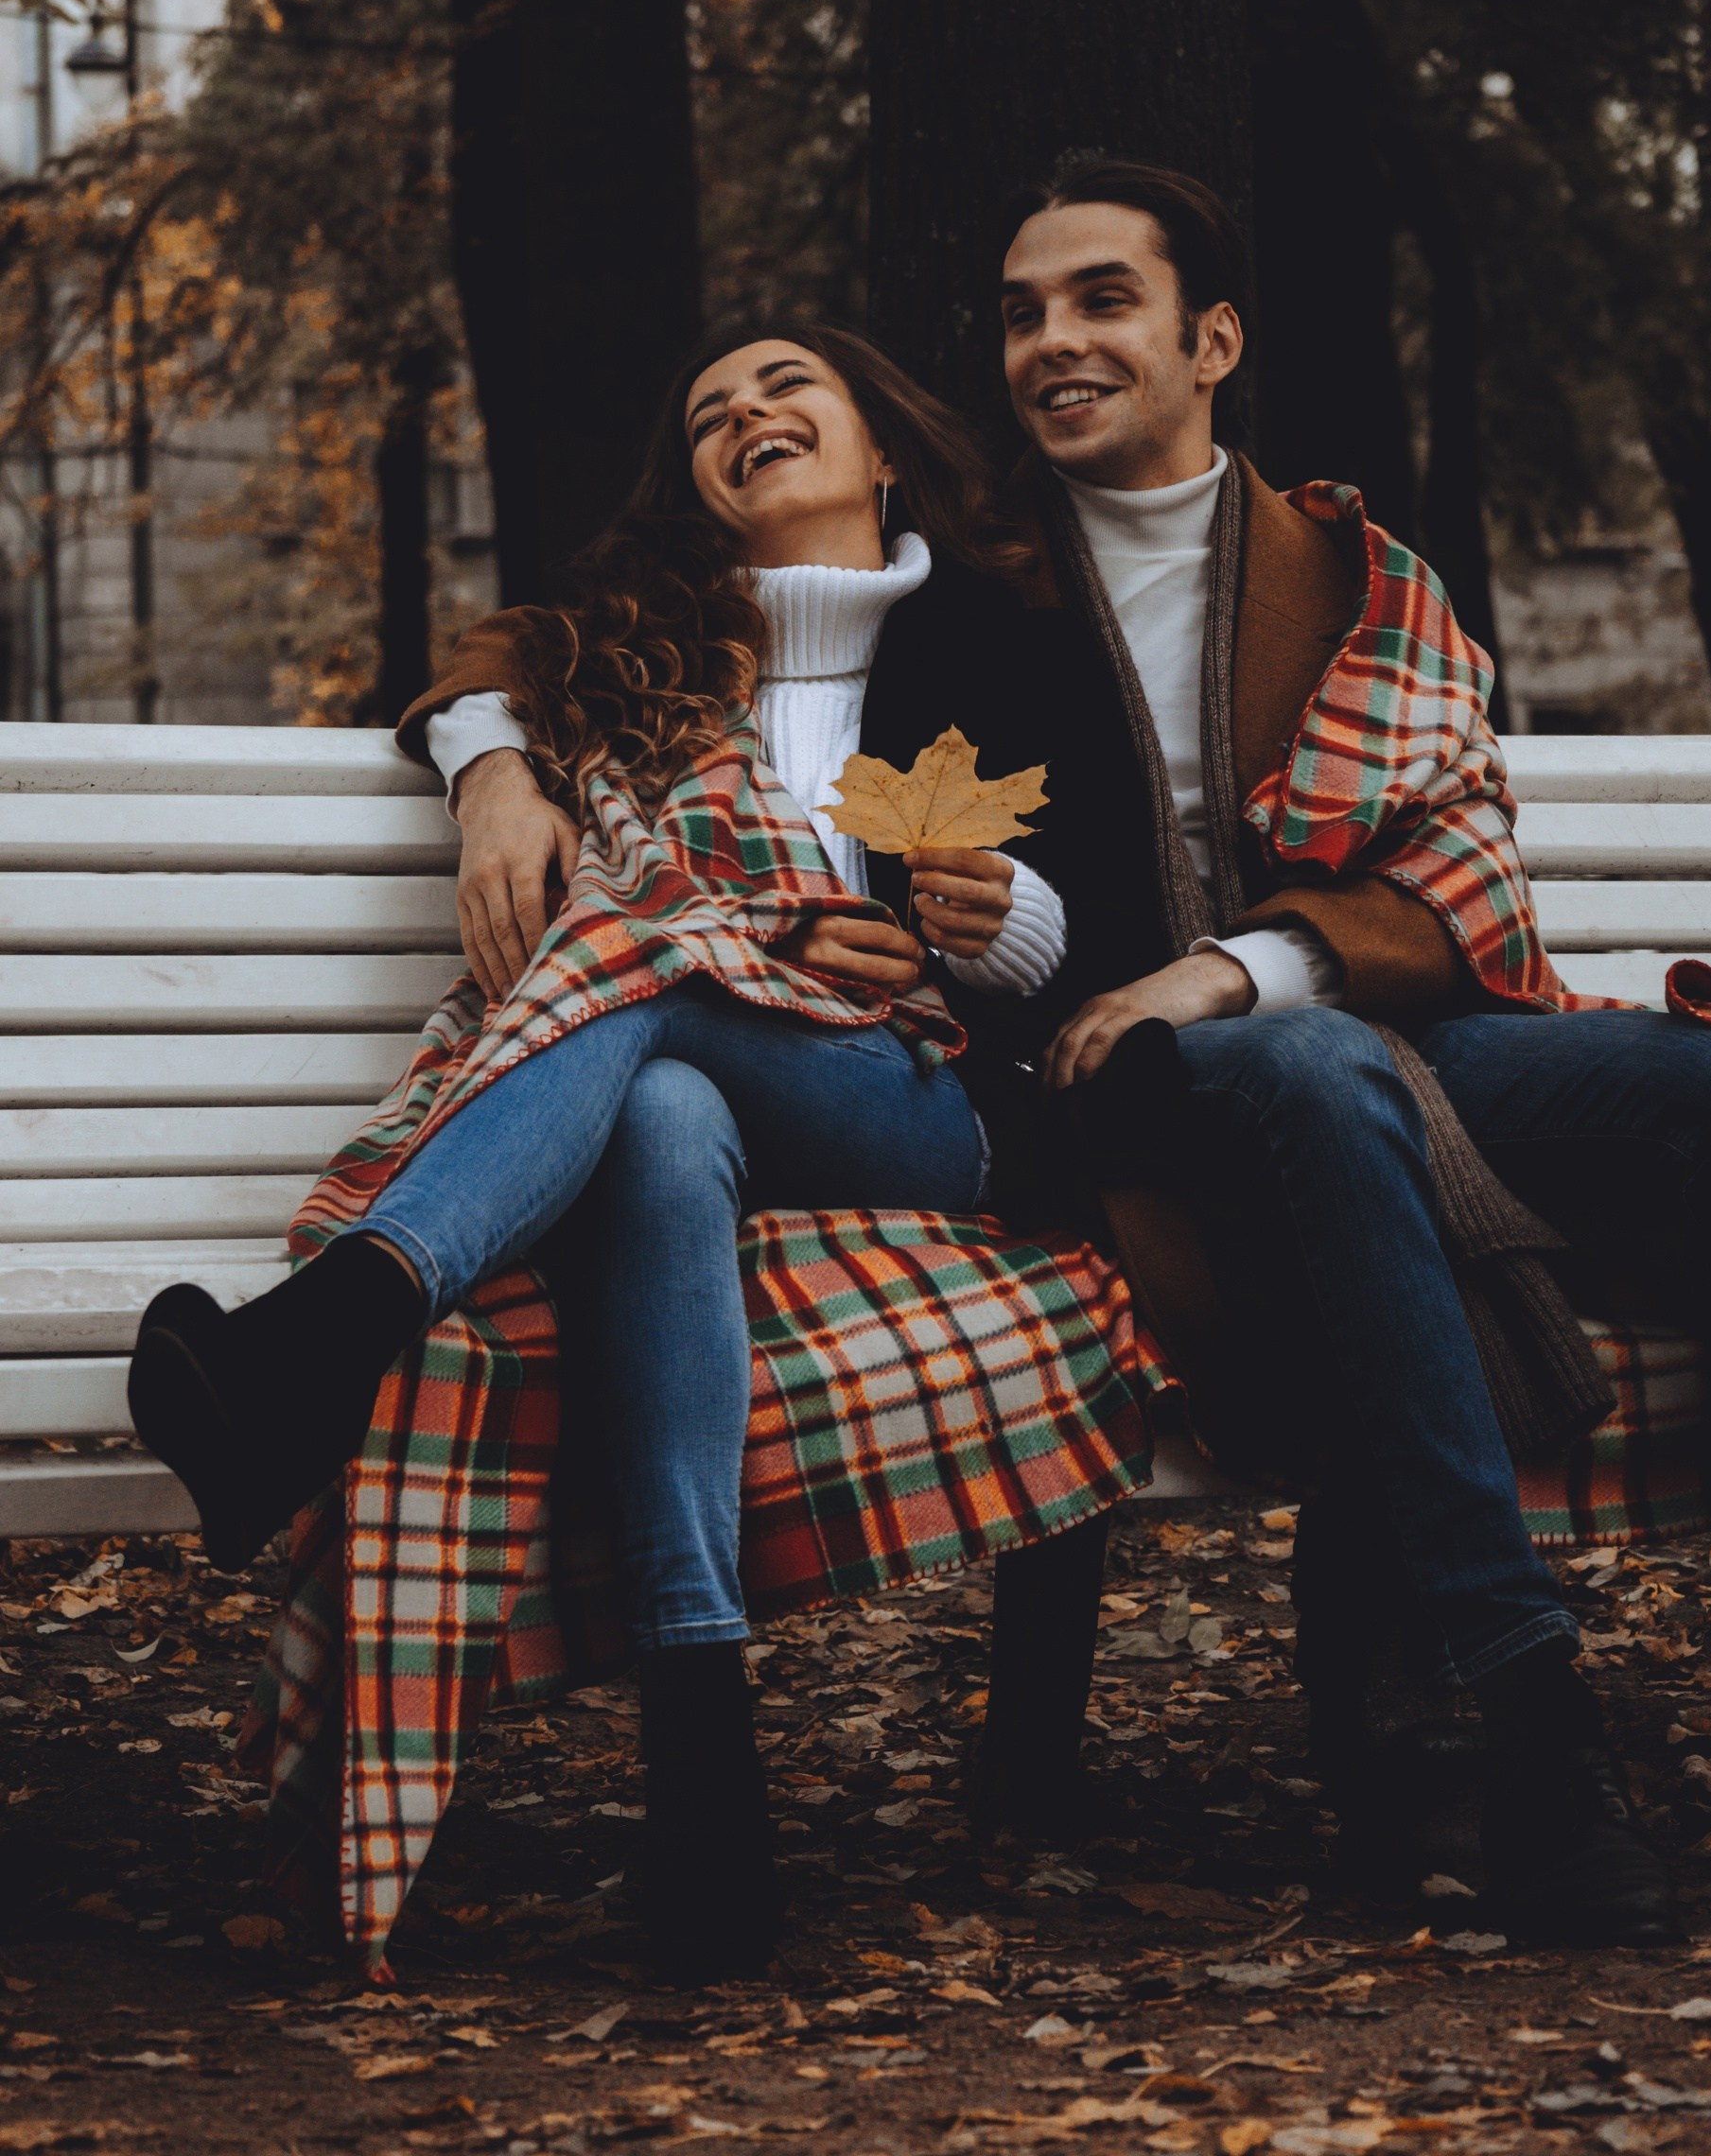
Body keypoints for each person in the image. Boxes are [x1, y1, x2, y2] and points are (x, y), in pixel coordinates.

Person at [412, 160, 1711, 1949]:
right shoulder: (966, 589)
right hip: (1121, 1090)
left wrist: (1229, 968)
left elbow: (1454, 861)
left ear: (1211, 339)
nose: (1053, 342)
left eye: (1099, 302)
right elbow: (639, 668)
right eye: (1022, 313)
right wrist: (497, 759)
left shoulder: (1350, 571)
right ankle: (1521, 1706)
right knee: (1316, 1079)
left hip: (1360, 1021)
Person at [128, 323, 1073, 1982]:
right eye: (709, 410)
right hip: (682, 1077)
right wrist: (493, 765)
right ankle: (706, 1781)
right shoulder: (631, 643)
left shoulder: (1007, 628)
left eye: (788, 391)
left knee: (643, 947)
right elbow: (471, 668)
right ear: (692, 484)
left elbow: (1101, 902)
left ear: (886, 444)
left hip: (916, 1100)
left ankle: (329, 1333)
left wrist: (962, 947)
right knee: (660, 1091)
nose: (746, 416)